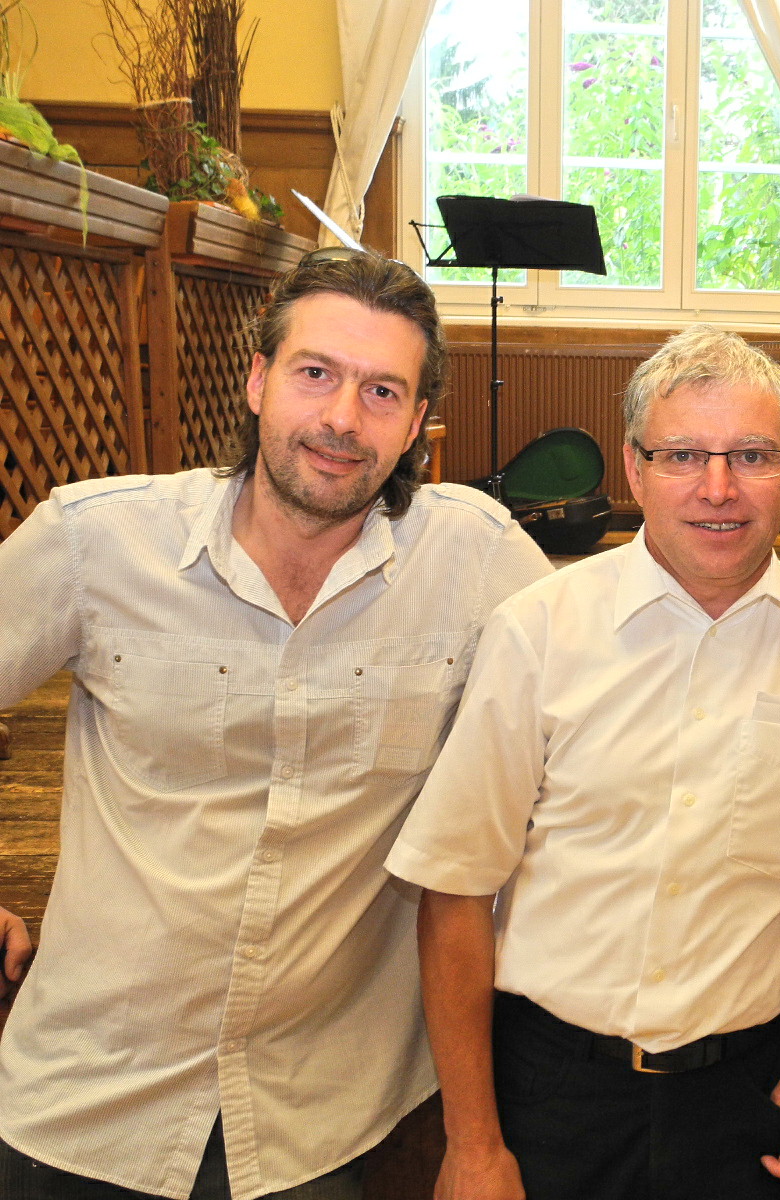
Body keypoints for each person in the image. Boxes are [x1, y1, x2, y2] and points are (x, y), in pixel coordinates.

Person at [0, 250, 553, 1200]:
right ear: (258, 381)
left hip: (320, 1120)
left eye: (382, 391)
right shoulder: (96, 541)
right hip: (89, 1098)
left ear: (418, 424)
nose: (343, 418)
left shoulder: (473, 557)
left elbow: (598, 713)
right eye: (316, 373)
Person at [385, 325, 780, 1200]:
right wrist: (472, 1144)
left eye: (753, 456)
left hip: (757, 1096)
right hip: (555, 1095)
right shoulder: (538, 631)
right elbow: (455, 890)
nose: (718, 488)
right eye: (682, 455)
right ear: (633, 468)